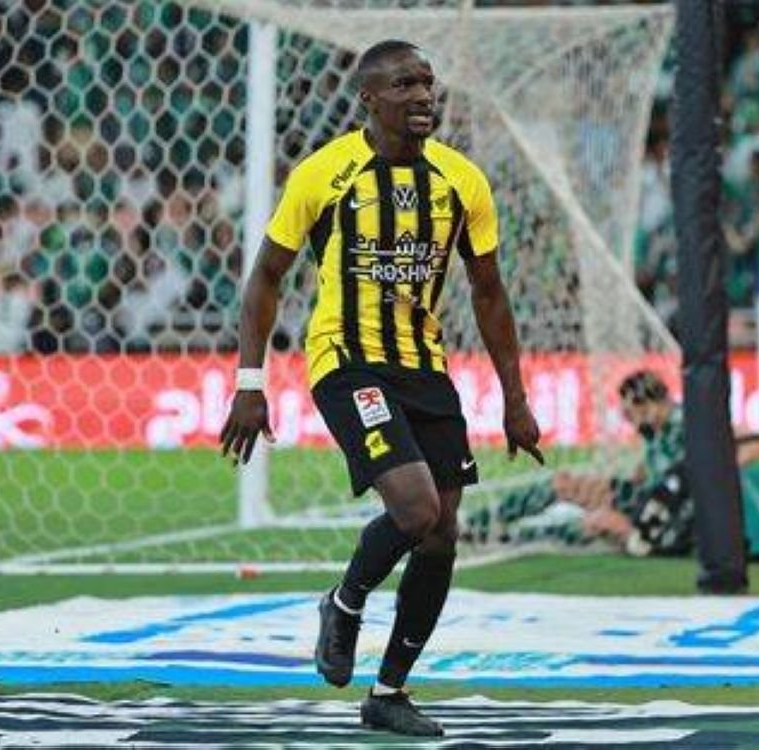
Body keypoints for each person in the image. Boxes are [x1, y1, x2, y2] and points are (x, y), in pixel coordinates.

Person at [219, 40, 543, 737]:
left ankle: (389, 692)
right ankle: (344, 602)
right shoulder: (324, 175)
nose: (423, 95)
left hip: (425, 366)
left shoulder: (461, 182)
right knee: (417, 508)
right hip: (347, 360)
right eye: (404, 85)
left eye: (427, 82)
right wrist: (250, 381)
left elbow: (489, 292)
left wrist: (515, 398)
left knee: (442, 534)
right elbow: (266, 276)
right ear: (368, 98)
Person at [463, 370, 759, 559]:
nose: (629, 420)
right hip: (645, 498)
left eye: (630, 412)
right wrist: (614, 484)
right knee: (564, 483)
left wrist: (712, 473)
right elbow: (650, 472)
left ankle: (509, 536)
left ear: (650, 404)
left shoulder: (688, 421)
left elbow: (757, 441)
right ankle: (482, 524)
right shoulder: (657, 432)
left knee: (594, 523)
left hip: (670, 517)